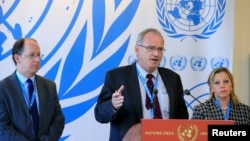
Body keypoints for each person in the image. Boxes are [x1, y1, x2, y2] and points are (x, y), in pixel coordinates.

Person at [94, 28, 189, 141]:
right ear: (137, 49)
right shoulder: (116, 76)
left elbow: (182, 117)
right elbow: (100, 115)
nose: (156, 53)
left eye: (160, 49)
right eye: (151, 48)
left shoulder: (172, 78)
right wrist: (113, 105)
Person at [0, 38, 65, 141]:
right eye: (32, 55)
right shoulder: (3, 89)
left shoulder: (49, 86)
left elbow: (58, 119)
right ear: (17, 58)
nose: (37, 60)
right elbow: (2, 127)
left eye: (39, 55)